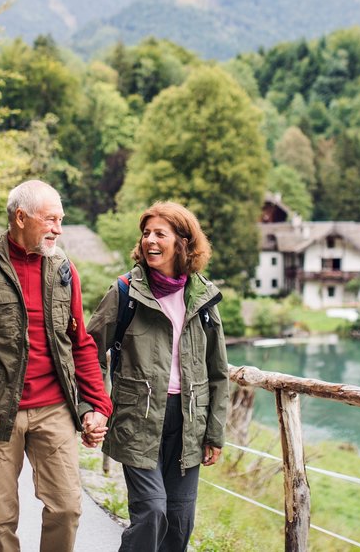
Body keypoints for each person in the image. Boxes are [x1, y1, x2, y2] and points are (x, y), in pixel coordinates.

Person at [0, 180, 112, 552]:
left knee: (66, 508)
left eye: (61, 220)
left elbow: (80, 343)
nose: (58, 230)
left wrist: (97, 406)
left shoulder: (64, 270)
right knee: (0, 519)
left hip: (54, 409)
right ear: (20, 217)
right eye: (50, 220)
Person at [88, 201, 229, 552]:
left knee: (179, 524)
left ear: (182, 242)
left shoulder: (203, 297)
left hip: (189, 424)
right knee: (152, 512)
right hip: (138, 420)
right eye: (146, 233)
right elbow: (89, 351)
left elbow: (218, 372)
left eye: (160, 234)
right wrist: (95, 405)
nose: (150, 240)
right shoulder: (125, 292)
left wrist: (215, 432)